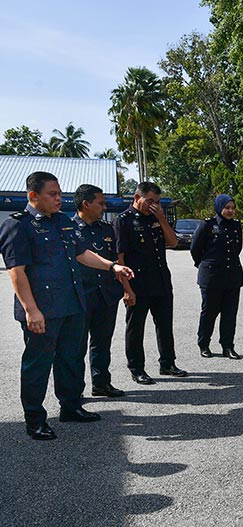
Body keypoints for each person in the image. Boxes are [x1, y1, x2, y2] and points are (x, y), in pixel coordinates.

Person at [0, 172, 134, 440]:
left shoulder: (63, 222)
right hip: (43, 309)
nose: (59, 198)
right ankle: (35, 419)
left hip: (73, 304)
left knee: (72, 358)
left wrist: (112, 265)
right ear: (33, 196)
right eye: (53, 194)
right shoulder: (18, 226)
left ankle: (71, 406)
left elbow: (82, 253)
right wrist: (31, 310)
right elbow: (17, 271)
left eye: (60, 193)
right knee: (38, 364)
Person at [114, 181, 187, 385]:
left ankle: (168, 363)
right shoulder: (123, 220)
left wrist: (162, 218)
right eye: (150, 201)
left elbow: (173, 242)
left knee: (165, 325)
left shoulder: (157, 218)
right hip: (137, 283)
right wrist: (126, 289)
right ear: (137, 198)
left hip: (161, 281)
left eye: (157, 202)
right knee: (135, 328)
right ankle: (137, 368)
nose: (153, 205)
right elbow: (120, 258)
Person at [73, 184, 126, 398]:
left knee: (102, 343)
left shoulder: (106, 229)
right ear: (86, 204)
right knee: (76, 347)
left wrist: (124, 289)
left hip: (106, 295)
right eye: (100, 203)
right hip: (81, 297)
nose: (104, 207)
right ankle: (74, 392)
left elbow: (115, 258)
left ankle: (101, 383)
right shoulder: (69, 229)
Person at [190, 194, 243, 359]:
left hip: (232, 276)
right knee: (210, 312)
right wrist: (205, 264)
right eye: (227, 208)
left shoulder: (236, 226)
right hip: (212, 276)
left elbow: (237, 249)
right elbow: (195, 249)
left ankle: (227, 346)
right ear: (219, 208)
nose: (230, 211)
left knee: (229, 314)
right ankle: (204, 344)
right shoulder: (207, 225)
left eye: (233, 208)